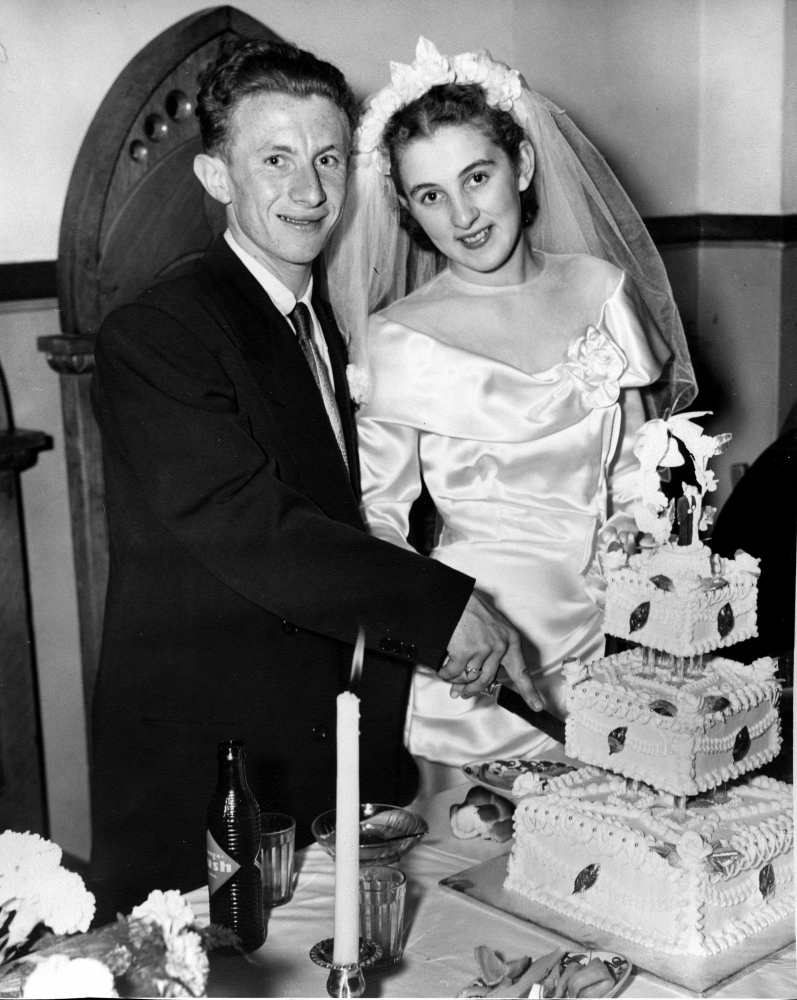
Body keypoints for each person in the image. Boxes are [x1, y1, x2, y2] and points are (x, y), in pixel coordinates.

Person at [88, 38, 540, 923]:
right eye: (276, 160)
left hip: (314, 747)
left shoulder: (315, 317)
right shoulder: (160, 331)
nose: (309, 191)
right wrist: (441, 610)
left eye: (328, 158)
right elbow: (252, 526)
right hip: (209, 764)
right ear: (218, 177)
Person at [326, 39, 697, 786]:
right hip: (475, 664)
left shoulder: (600, 291)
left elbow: (642, 468)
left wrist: (645, 554)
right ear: (405, 208)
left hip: (612, 646)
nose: (462, 214)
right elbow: (374, 523)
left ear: (521, 166)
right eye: (430, 195)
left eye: (477, 176)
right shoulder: (398, 339)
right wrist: (443, 623)